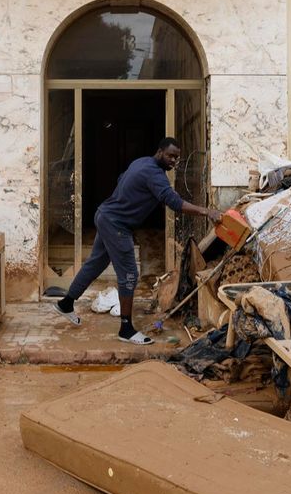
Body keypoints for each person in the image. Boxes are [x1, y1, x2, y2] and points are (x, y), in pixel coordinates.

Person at [52, 137, 222, 344]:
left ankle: (66, 303)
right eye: (170, 156)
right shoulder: (155, 175)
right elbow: (175, 202)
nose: (173, 161)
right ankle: (126, 329)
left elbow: (122, 179)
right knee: (130, 274)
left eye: (176, 158)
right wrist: (207, 211)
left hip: (105, 215)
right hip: (116, 225)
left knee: (96, 263)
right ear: (160, 152)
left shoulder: (140, 162)